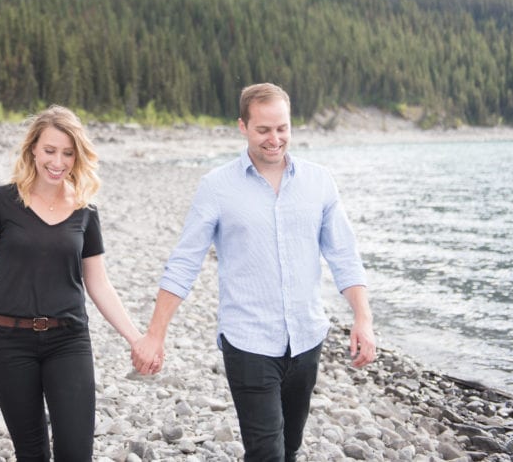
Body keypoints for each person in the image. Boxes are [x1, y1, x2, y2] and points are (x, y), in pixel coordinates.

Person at [131, 83, 376, 462]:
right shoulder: (216, 187)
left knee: (289, 448)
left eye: (282, 128)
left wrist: (363, 318)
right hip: (248, 343)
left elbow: (343, 254)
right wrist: (154, 334)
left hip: (307, 339)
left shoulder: (319, 182)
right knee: (266, 453)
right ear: (242, 126)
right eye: (264, 129)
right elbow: (184, 262)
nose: (274, 139)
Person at [0, 105, 143, 461]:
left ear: (77, 156)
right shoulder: (2, 201)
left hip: (68, 340)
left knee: (76, 453)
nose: (57, 161)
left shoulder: (86, 211)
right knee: (32, 454)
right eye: (49, 150)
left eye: (67, 153)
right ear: (33, 149)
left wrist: (136, 338)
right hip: (8, 342)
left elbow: (99, 283)